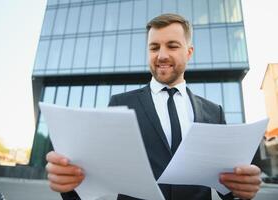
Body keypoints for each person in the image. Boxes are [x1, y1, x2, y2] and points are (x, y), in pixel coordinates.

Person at [45, 13, 261, 200]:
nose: (162, 55)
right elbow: (94, 173)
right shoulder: (121, 104)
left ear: (189, 52)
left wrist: (242, 190)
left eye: (172, 46)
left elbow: (228, 186)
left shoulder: (214, 112)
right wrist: (70, 182)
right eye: (154, 47)